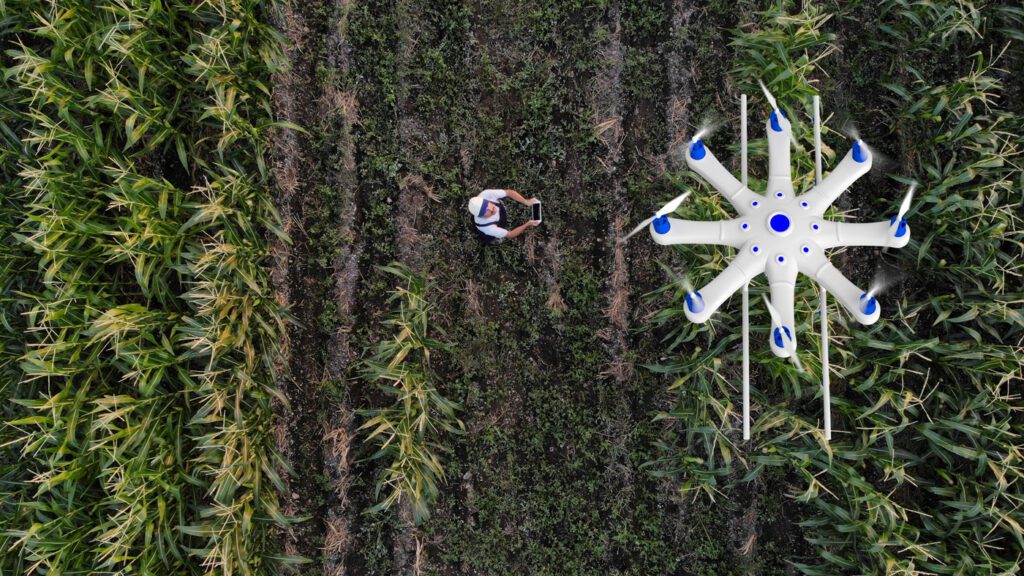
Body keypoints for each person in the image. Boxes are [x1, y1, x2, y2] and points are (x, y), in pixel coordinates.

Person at [467, 188, 541, 244]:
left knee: (499, 209)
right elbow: (510, 235)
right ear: (481, 217)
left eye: (487, 204)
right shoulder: (488, 228)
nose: (490, 209)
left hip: (499, 215)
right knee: (494, 239)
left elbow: (508, 192)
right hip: (490, 233)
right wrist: (528, 224)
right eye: (485, 211)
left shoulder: (487, 194)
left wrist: (526, 201)